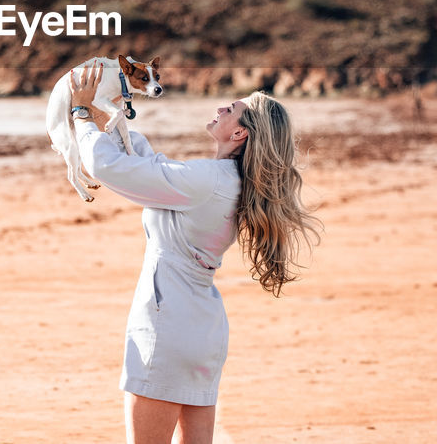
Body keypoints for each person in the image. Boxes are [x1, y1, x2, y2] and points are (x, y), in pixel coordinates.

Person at [69, 62, 321, 444]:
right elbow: (153, 168)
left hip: (167, 327)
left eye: (231, 109)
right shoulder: (229, 182)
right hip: (201, 330)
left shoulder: (207, 180)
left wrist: (81, 115)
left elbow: (107, 166)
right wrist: (113, 117)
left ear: (239, 132)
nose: (221, 108)